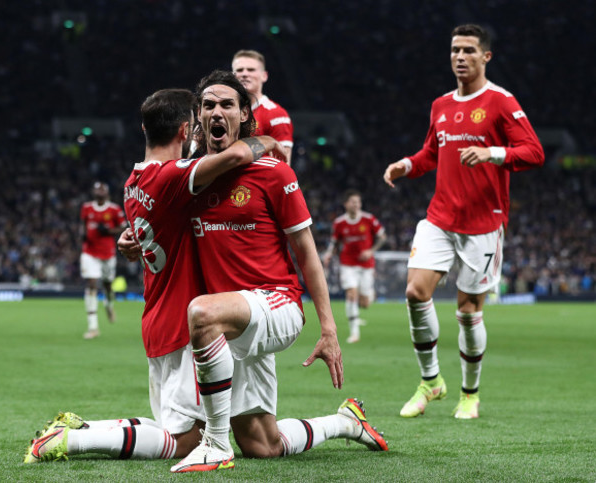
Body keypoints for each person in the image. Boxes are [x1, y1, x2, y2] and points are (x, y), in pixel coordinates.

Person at [24, 88, 286, 463]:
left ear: (144, 127)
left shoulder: (133, 183)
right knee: (185, 442)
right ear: (185, 130)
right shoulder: (174, 177)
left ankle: (81, 428)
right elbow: (240, 153)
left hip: (156, 320)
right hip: (183, 324)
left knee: (172, 432)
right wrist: (269, 139)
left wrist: (128, 241)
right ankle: (74, 441)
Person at [170, 70, 387, 473]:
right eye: (208, 105)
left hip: (276, 304)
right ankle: (344, 422)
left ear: (244, 116)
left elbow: (307, 255)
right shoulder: (189, 178)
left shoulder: (274, 173)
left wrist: (329, 330)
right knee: (263, 445)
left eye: (227, 105)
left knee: (202, 312)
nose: (217, 111)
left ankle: (215, 445)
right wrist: (132, 239)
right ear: (198, 117)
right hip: (232, 320)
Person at [383, 24, 544, 419]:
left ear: (485, 56)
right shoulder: (440, 105)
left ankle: (469, 394)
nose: (460, 57)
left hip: (483, 224)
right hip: (440, 217)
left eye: (469, 50)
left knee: (469, 311)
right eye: (455, 49)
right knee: (415, 292)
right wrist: (406, 165)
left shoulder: (501, 102)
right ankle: (431, 382)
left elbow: (534, 151)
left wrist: (493, 153)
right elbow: (430, 154)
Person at [322, 189, 386, 344]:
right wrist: (329, 253)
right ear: (346, 204)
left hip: (366, 265)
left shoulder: (368, 219)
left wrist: (371, 251)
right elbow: (334, 242)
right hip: (348, 264)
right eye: (353, 202)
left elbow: (382, 237)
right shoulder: (339, 223)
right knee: (351, 294)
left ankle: (367, 297)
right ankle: (354, 333)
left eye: (358, 202)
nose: (356, 204)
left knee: (365, 303)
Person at [79, 181, 126, 339]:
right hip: (89, 252)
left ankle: (109, 305)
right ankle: (93, 327)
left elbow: (123, 226)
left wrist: (108, 230)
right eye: (96, 189)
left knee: (107, 285)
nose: (99, 191)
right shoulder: (86, 207)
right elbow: (83, 224)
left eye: (102, 189)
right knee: (91, 283)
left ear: (107, 193)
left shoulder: (114, 209)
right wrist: (83, 235)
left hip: (107, 253)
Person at [232, 49, 294, 165]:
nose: (245, 74)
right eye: (239, 70)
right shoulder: (226, 112)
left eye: (251, 70)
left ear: (264, 76)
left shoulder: (276, 114)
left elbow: (283, 165)